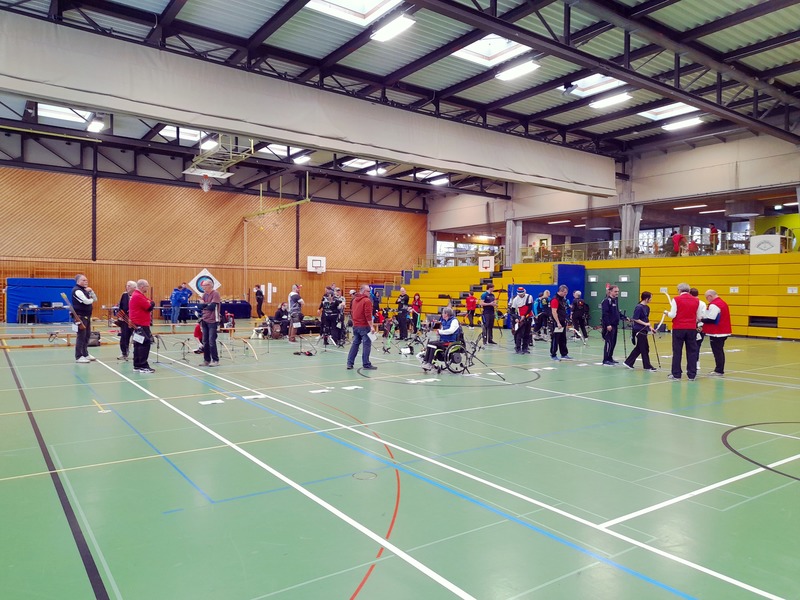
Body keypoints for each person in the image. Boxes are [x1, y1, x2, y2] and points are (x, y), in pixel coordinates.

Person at [667, 282, 702, 381]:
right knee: (692, 351)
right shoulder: (697, 300)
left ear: (679, 290)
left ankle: (676, 374)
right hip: (691, 328)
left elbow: (673, 315)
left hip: (678, 328)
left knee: (677, 351)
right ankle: (692, 374)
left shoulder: (676, 299)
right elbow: (699, 316)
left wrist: (666, 313)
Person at [346, 284, 377, 370]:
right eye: (368, 291)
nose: (370, 293)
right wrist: (371, 326)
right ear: (363, 291)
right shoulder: (367, 301)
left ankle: (349, 363)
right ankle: (366, 364)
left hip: (356, 326)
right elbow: (368, 315)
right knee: (366, 345)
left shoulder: (354, 300)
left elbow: (352, 312)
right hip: (364, 326)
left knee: (355, 344)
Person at [623, 292, 657, 371]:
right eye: (650, 298)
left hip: (644, 330)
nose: (651, 299)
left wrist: (651, 328)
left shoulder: (647, 308)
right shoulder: (639, 307)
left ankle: (628, 362)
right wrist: (645, 324)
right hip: (639, 330)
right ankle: (647, 366)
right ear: (646, 298)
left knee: (640, 347)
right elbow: (635, 319)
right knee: (644, 348)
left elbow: (646, 319)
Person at [421, 306, 461, 370]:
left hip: (450, 341)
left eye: (443, 313)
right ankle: (426, 361)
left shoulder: (454, 321)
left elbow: (451, 331)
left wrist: (440, 332)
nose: (442, 314)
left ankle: (430, 363)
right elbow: (440, 328)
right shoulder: (443, 321)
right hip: (443, 340)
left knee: (433, 344)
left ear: (446, 314)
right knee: (430, 343)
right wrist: (436, 329)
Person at [129, 279, 156, 373]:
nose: (147, 288)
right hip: (141, 323)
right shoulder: (138, 296)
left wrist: (150, 303)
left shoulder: (138, 295)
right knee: (144, 343)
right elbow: (149, 306)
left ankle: (137, 365)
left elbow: (150, 302)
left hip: (138, 323)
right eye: (147, 286)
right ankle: (143, 365)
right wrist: (151, 303)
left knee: (138, 344)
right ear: (142, 286)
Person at [702, 290, 731, 376]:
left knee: (717, 352)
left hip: (717, 332)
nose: (707, 300)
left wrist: (700, 320)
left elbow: (711, 319)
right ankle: (719, 369)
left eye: (707, 298)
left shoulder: (714, 305)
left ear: (710, 296)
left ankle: (719, 370)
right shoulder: (722, 303)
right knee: (719, 351)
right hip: (723, 331)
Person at [72, 273, 98, 363]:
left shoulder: (85, 290)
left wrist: (91, 291)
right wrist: (91, 300)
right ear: (78, 281)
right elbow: (86, 301)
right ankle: (79, 356)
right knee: (81, 336)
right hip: (80, 317)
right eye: (83, 280)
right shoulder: (77, 291)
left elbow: (95, 299)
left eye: (86, 280)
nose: (86, 281)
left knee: (87, 335)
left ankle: (85, 354)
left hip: (87, 316)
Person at [199, 279, 221, 367]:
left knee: (211, 341)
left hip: (213, 320)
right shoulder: (204, 294)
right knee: (205, 341)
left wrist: (204, 304)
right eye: (202, 286)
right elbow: (200, 306)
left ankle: (215, 360)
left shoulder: (215, 294)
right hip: (204, 319)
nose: (203, 287)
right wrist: (205, 304)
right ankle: (207, 360)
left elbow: (212, 306)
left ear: (210, 285)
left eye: (205, 285)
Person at [549, 284, 573, 361]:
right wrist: (558, 322)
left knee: (563, 338)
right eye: (565, 292)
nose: (566, 294)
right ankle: (553, 354)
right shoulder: (555, 300)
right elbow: (554, 312)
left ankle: (564, 354)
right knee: (555, 338)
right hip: (557, 322)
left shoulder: (563, 300)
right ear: (561, 291)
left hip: (563, 321)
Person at [508, 286, 533, 354]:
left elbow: (529, 308)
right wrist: (516, 318)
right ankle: (518, 348)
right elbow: (512, 312)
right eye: (519, 294)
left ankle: (525, 348)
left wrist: (524, 316)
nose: (521, 295)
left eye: (522, 294)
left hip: (528, 317)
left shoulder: (529, 297)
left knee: (527, 334)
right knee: (519, 334)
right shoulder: (515, 300)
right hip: (520, 318)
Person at [601, 285, 621, 366]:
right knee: (609, 342)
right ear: (610, 291)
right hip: (609, 326)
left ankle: (610, 358)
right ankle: (605, 360)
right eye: (615, 291)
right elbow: (605, 314)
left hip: (615, 325)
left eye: (618, 291)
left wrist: (624, 317)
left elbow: (617, 312)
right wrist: (608, 324)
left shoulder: (615, 300)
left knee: (613, 342)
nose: (617, 293)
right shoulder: (606, 301)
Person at [117, 280, 136, 361]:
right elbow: (120, 307)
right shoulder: (124, 295)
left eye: (129, 286)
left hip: (135, 319)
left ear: (134, 288)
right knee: (124, 337)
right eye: (127, 285)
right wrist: (120, 316)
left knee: (137, 337)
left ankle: (137, 354)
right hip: (125, 319)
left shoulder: (137, 295)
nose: (127, 287)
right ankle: (124, 353)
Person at [690, 288, 707, 371]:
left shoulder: (691, 303)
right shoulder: (703, 303)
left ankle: (693, 363)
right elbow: (704, 315)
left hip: (694, 326)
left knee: (692, 346)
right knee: (697, 346)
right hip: (700, 326)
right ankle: (695, 363)